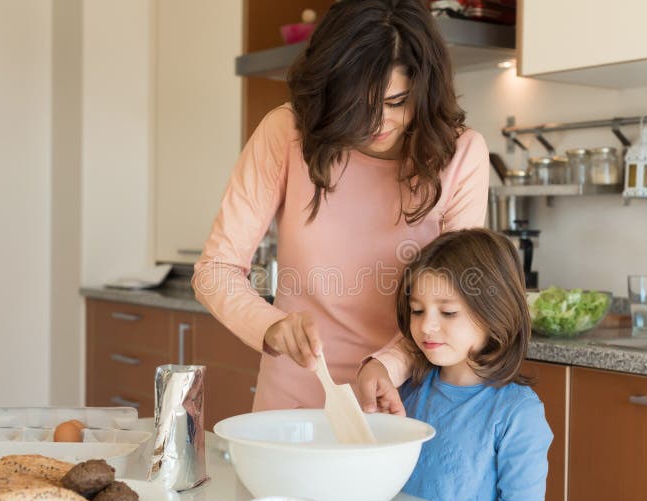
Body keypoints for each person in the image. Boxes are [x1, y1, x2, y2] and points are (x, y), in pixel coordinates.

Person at [192, 0, 489, 411]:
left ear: (424, 90)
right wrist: (272, 326)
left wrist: (388, 364)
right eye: (358, 105)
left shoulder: (461, 153)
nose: (377, 123)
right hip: (295, 397)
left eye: (397, 102)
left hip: (403, 396)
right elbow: (215, 270)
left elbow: (461, 298)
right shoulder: (287, 133)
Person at [395, 228, 552, 501]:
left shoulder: (518, 413)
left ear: (495, 314)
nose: (427, 325)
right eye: (417, 310)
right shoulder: (406, 391)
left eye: (448, 312)